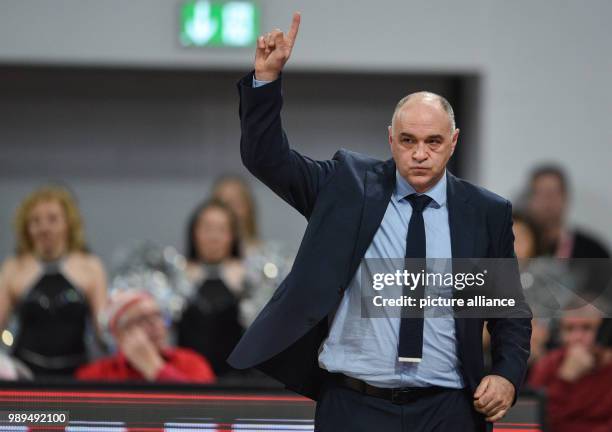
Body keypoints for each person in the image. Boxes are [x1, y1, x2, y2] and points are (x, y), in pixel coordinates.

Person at [227, 13, 532, 432]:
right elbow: (267, 159)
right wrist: (265, 81)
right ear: (391, 139)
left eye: (433, 142)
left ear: (453, 142)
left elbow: (508, 313)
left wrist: (506, 374)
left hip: (448, 409)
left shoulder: (485, 212)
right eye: (408, 141)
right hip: (354, 405)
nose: (420, 153)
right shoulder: (346, 185)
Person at [0, 186, 107, 377]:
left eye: (52, 219)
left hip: (76, 374)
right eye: (35, 221)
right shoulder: (13, 267)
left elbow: (103, 332)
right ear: (26, 227)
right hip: (25, 374)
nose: (44, 228)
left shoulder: (90, 267)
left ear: (68, 224)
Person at [76, 289, 215, 383]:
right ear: (119, 334)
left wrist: (156, 369)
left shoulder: (192, 363)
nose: (156, 325)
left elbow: (203, 413)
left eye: (158, 316)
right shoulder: (95, 375)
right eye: (142, 319)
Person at [178, 199, 247, 376]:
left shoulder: (249, 278)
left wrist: (243, 289)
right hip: (187, 379)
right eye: (207, 229)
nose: (214, 237)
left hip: (238, 380)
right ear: (194, 233)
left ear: (232, 236)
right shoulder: (176, 277)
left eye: (221, 230)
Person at [528, 305, 612, 432]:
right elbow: (536, 419)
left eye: (587, 328)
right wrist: (565, 378)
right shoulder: (548, 364)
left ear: (604, 332)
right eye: (569, 329)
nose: (576, 338)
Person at [527, 164, 609, 258]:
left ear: (565, 198)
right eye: (540, 193)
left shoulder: (593, 251)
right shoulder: (516, 249)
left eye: (553, 193)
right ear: (530, 199)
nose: (547, 200)